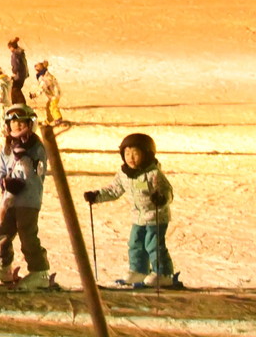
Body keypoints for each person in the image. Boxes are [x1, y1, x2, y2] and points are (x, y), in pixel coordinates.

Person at [84, 133, 178, 288]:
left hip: (156, 216)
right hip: (138, 217)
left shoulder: (153, 174)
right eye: (127, 153)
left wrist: (161, 199)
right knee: (135, 243)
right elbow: (114, 189)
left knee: (153, 245)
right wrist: (96, 196)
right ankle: (139, 270)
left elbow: (167, 191)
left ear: (146, 155)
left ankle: (163, 273)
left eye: (135, 153)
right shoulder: (124, 174)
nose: (131, 158)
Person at [0, 104, 50, 289]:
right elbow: (0, 168)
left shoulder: (35, 147)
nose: (17, 127)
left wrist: (25, 163)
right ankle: (4, 266)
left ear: (30, 124)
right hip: (10, 199)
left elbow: (37, 173)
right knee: (3, 232)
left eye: (21, 123)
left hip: (28, 200)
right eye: (13, 124)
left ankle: (39, 270)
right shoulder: (7, 146)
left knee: (26, 233)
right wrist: (4, 181)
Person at [35, 60, 63, 125]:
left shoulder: (45, 78)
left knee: (53, 106)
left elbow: (41, 88)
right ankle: (50, 119)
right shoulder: (46, 75)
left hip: (54, 95)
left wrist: (35, 95)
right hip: (54, 94)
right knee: (48, 106)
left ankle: (58, 119)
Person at [8, 37, 28, 105]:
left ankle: (20, 104)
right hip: (23, 74)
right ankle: (18, 104)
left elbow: (16, 65)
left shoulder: (15, 55)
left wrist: (14, 72)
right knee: (16, 89)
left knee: (15, 90)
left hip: (18, 75)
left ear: (11, 47)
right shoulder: (21, 53)